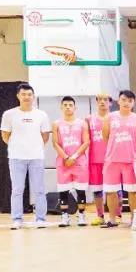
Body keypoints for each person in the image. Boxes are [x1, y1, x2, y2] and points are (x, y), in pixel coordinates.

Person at [0, 83, 51, 229]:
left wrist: (34, 147)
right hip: (16, 158)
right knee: (17, 190)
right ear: (18, 96)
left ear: (33, 96)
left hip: (36, 157)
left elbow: (45, 136)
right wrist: (17, 147)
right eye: (23, 94)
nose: (26, 97)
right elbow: (5, 135)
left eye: (29, 94)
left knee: (39, 189)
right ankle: (17, 219)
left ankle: (40, 218)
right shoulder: (9, 114)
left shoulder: (41, 115)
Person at [101, 90, 136, 228]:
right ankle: (112, 219)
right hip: (112, 160)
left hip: (130, 161)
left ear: (134, 103)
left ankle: (134, 219)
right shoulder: (109, 117)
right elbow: (105, 136)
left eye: (130, 101)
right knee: (111, 191)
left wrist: (130, 150)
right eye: (124, 100)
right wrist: (114, 149)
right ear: (119, 101)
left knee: (132, 191)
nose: (126, 103)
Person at [52, 96, 90, 227]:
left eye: (70, 105)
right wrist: (66, 157)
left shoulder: (82, 123)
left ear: (75, 107)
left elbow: (86, 142)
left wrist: (74, 157)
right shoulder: (56, 123)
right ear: (61, 107)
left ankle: (81, 215)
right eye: (65, 105)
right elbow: (55, 143)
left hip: (79, 161)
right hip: (63, 161)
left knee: (81, 190)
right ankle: (64, 217)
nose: (68, 107)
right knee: (63, 190)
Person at [86, 93, 112, 225]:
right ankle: (100, 216)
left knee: (114, 189)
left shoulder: (115, 118)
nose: (102, 102)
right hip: (94, 159)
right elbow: (85, 139)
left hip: (111, 159)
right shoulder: (88, 119)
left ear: (110, 102)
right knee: (97, 189)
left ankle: (117, 215)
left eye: (105, 99)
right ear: (96, 102)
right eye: (100, 99)